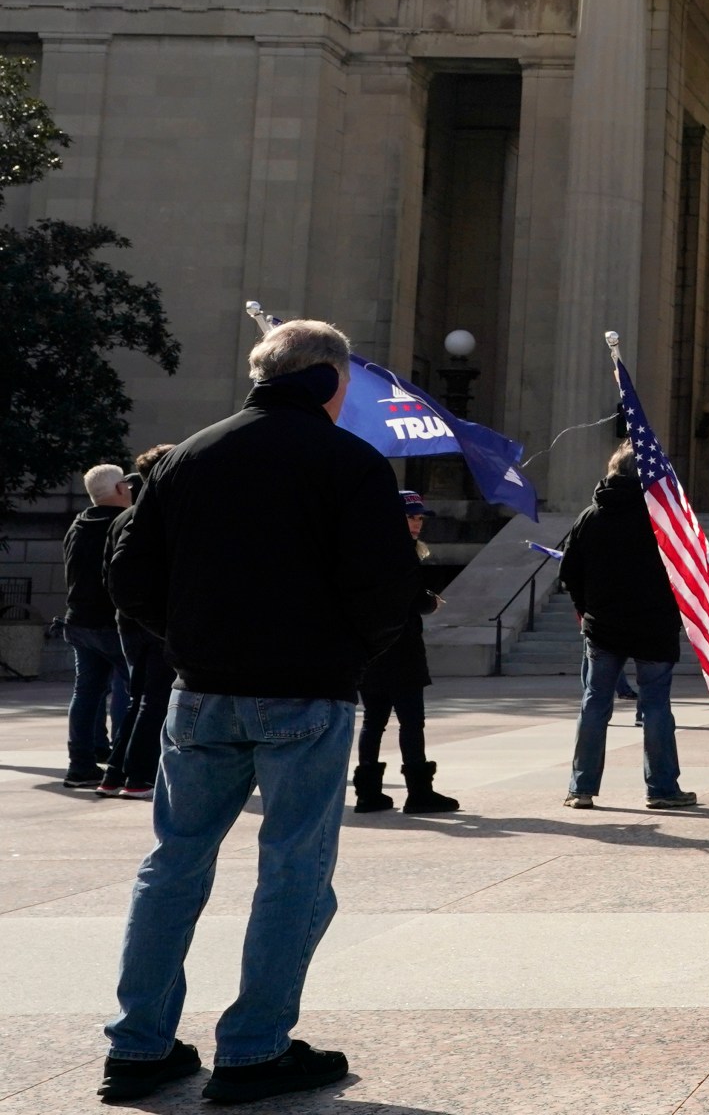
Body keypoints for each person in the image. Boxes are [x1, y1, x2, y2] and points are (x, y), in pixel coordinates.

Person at [99, 319, 420, 1104]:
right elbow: (388, 588)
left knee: (172, 864)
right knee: (294, 873)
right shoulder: (350, 462)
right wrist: (343, 655)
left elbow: (127, 570)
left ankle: (137, 1047)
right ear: (329, 383)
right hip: (304, 694)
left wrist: (187, 640)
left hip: (201, 691)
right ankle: (252, 1048)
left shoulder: (186, 456)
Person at [558, 442, 695, 811]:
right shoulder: (663, 520)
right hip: (654, 626)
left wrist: (585, 609)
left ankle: (581, 787)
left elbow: (569, 572)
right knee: (656, 706)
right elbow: (687, 573)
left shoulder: (590, 516)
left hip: (603, 626)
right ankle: (662, 788)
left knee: (594, 704)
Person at [352, 492, 460, 815]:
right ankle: (419, 792)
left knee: (374, 721)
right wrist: (430, 601)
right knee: (411, 722)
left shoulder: (368, 551)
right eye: (410, 517)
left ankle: (368, 794)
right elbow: (408, 598)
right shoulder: (399, 554)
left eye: (419, 518)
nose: (416, 523)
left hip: (373, 650)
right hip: (401, 650)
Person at [103, 446, 179, 800]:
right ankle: (139, 776)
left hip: (129, 620)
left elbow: (110, 573)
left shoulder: (124, 518)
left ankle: (116, 773)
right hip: (158, 619)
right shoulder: (166, 513)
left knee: (138, 698)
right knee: (155, 699)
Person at [61, 462, 133, 792]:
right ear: (119, 490)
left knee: (86, 692)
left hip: (79, 620)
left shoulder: (78, 524)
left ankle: (81, 765)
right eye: (127, 487)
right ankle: (123, 763)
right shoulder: (123, 523)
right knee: (132, 691)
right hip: (113, 622)